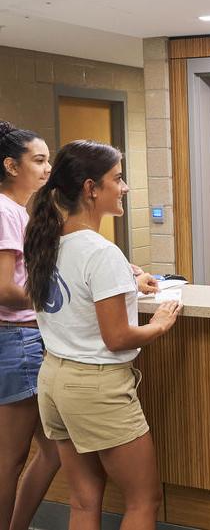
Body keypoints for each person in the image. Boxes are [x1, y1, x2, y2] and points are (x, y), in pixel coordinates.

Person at [23, 140, 182, 530]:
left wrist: (127, 278)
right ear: (92, 188)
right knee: (144, 499)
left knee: (82, 500)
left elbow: (78, 284)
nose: (124, 187)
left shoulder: (46, 242)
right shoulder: (100, 252)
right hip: (96, 388)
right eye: (118, 178)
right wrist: (157, 324)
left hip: (56, 380)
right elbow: (118, 337)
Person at [0, 121, 60, 530]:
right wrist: (55, 299)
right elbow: (5, 289)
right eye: (38, 160)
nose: (47, 167)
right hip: (19, 342)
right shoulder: (6, 212)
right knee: (11, 458)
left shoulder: (20, 210)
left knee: (52, 452)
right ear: (10, 165)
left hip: (26, 341)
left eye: (48, 159)